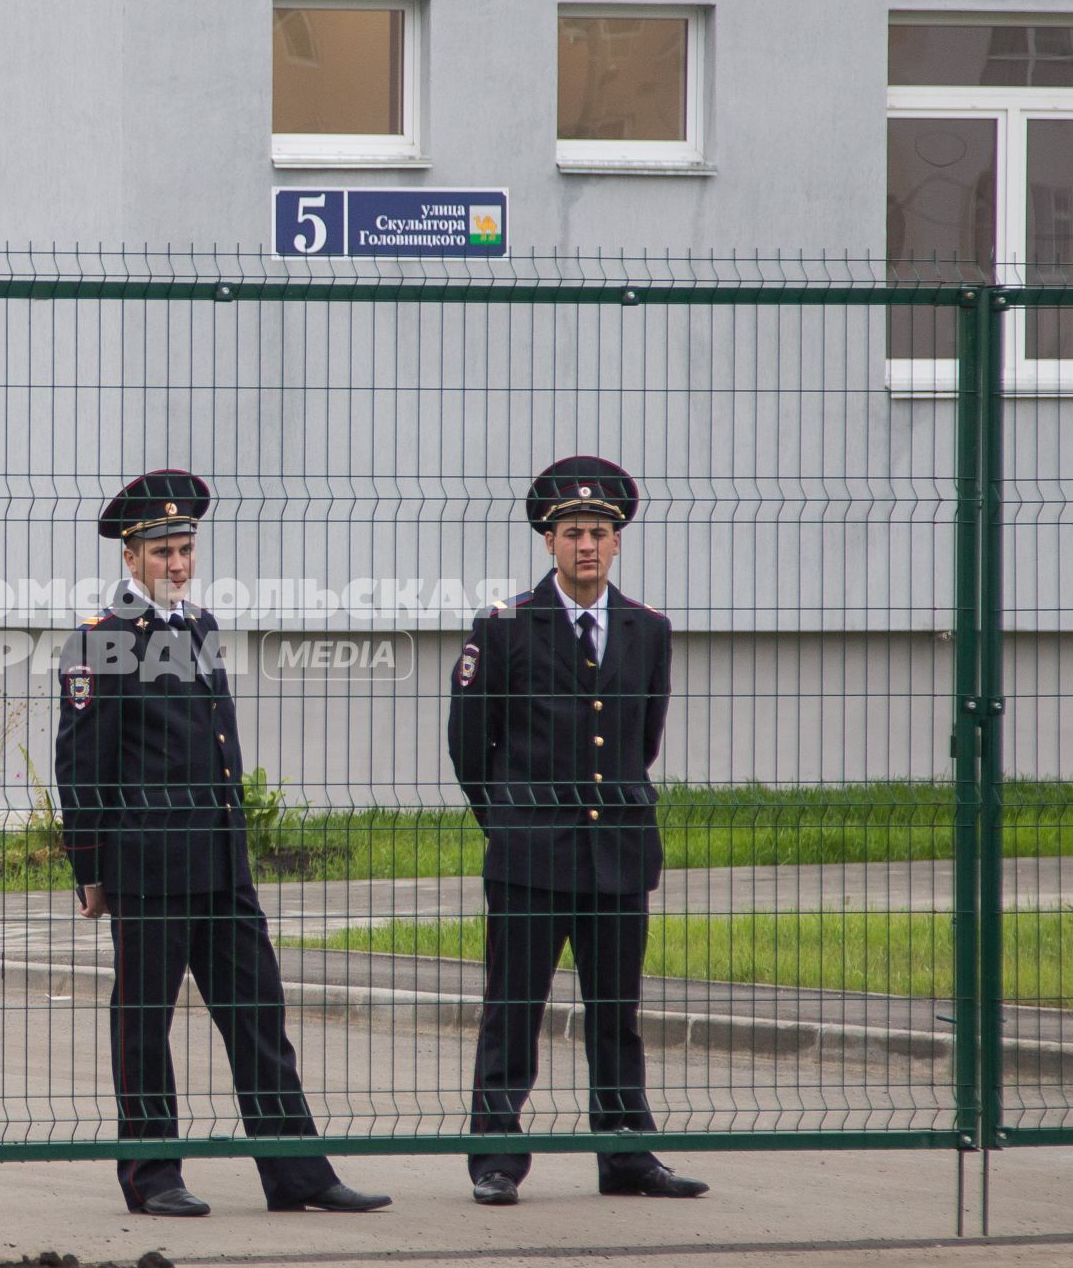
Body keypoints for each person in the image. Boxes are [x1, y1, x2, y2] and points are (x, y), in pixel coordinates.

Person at [54, 470, 390, 1219]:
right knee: (144, 1021)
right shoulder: (103, 641)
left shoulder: (199, 627)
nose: (178, 563)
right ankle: (154, 1175)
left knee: (257, 1015)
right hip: (148, 866)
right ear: (130, 557)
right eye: (164, 550)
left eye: (187, 547)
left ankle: (298, 1173)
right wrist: (91, 871)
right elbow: (83, 767)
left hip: (219, 862)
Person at [447, 456, 708, 1207]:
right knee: (513, 1012)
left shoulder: (645, 629)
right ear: (548, 543)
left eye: (598, 532)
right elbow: (471, 745)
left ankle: (626, 1155)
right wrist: (509, 821)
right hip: (531, 855)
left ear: (616, 542)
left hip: (618, 855)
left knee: (616, 1016)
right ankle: (496, 1156)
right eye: (571, 533)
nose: (585, 545)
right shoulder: (503, 630)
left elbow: (641, 737)